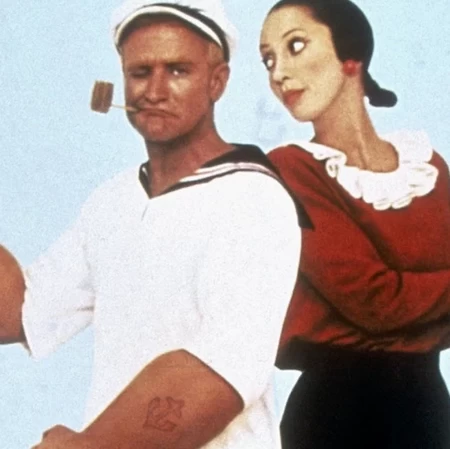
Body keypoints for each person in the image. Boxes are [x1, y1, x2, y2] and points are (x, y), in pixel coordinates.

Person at [0, 1, 311, 448]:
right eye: (140, 72)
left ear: (217, 81)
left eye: (178, 71)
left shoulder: (255, 197)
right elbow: (18, 313)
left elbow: (218, 376)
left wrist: (88, 446)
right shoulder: (112, 201)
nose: (155, 91)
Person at [259, 0, 450, 448]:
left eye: (295, 46)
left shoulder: (428, 167)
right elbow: (374, 301)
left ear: (351, 54)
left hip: (428, 406)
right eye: (268, 60)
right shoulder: (290, 170)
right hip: (336, 413)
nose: (278, 73)